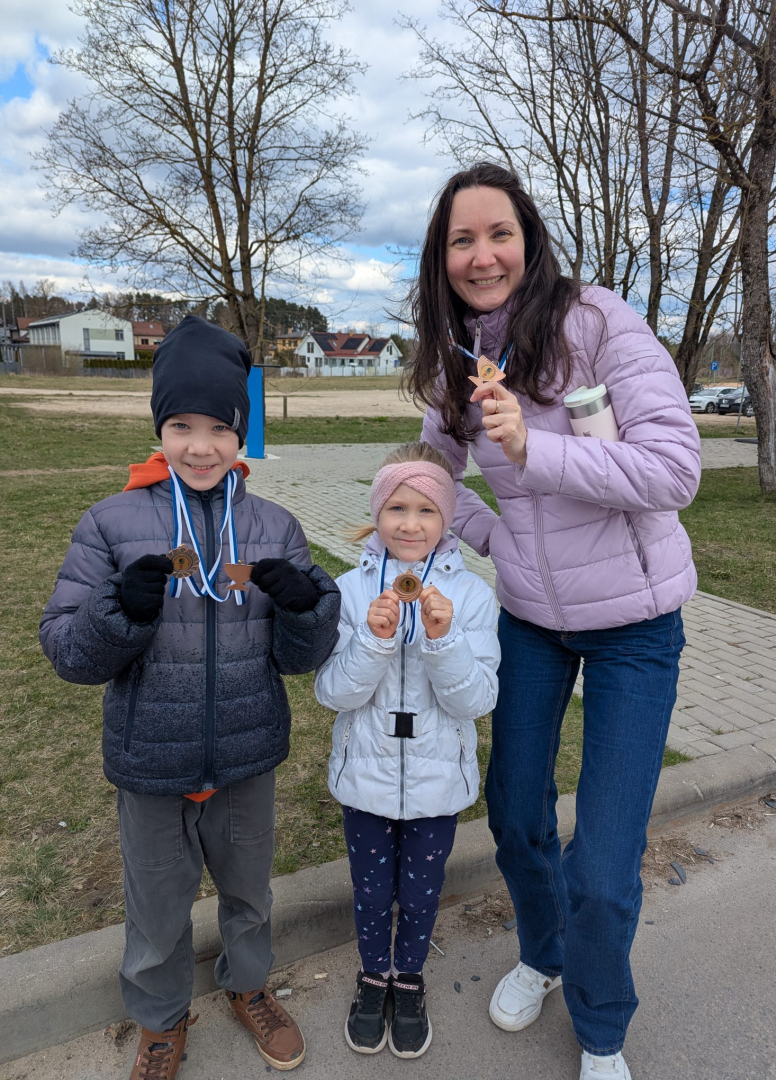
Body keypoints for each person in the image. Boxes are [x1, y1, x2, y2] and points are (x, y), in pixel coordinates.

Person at [410, 163, 701, 1080]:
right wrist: (491, 538)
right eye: (462, 239)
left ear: (528, 240)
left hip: (635, 625)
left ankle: (602, 1027)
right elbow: (430, 476)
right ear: (441, 257)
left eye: (498, 234)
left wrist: (537, 452)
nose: (481, 255)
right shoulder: (455, 360)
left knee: (604, 866)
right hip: (533, 619)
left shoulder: (598, 323)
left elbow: (673, 471)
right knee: (513, 813)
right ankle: (542, 953)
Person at [40, 316, 341, 1080]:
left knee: (248, 894)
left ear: (242, 435)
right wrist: (120, 615)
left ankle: (249, 988)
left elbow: (306, 658)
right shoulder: (110, 524)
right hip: (152, 759)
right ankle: (160, 1019)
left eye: (218, 427)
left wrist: (309, 606)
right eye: (181, 425)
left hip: (245, 754)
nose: (200, 445)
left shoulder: (275, 527)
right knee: (157, 908)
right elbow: (67, 651)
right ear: (159, 428)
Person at [314, 442, 499, 1060]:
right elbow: (332, 692)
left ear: (446, 519)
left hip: (436, 782)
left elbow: (476, 701)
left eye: (426, 509)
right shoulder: (345, 591)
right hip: (364, 780)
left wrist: (444, 642)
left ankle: (410, 978)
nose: (411, 524)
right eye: (397, 507)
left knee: (420, 893)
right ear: (377, 512)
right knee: (370, 892)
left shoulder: (472, 598)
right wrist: (371, 638)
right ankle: (373, 979)